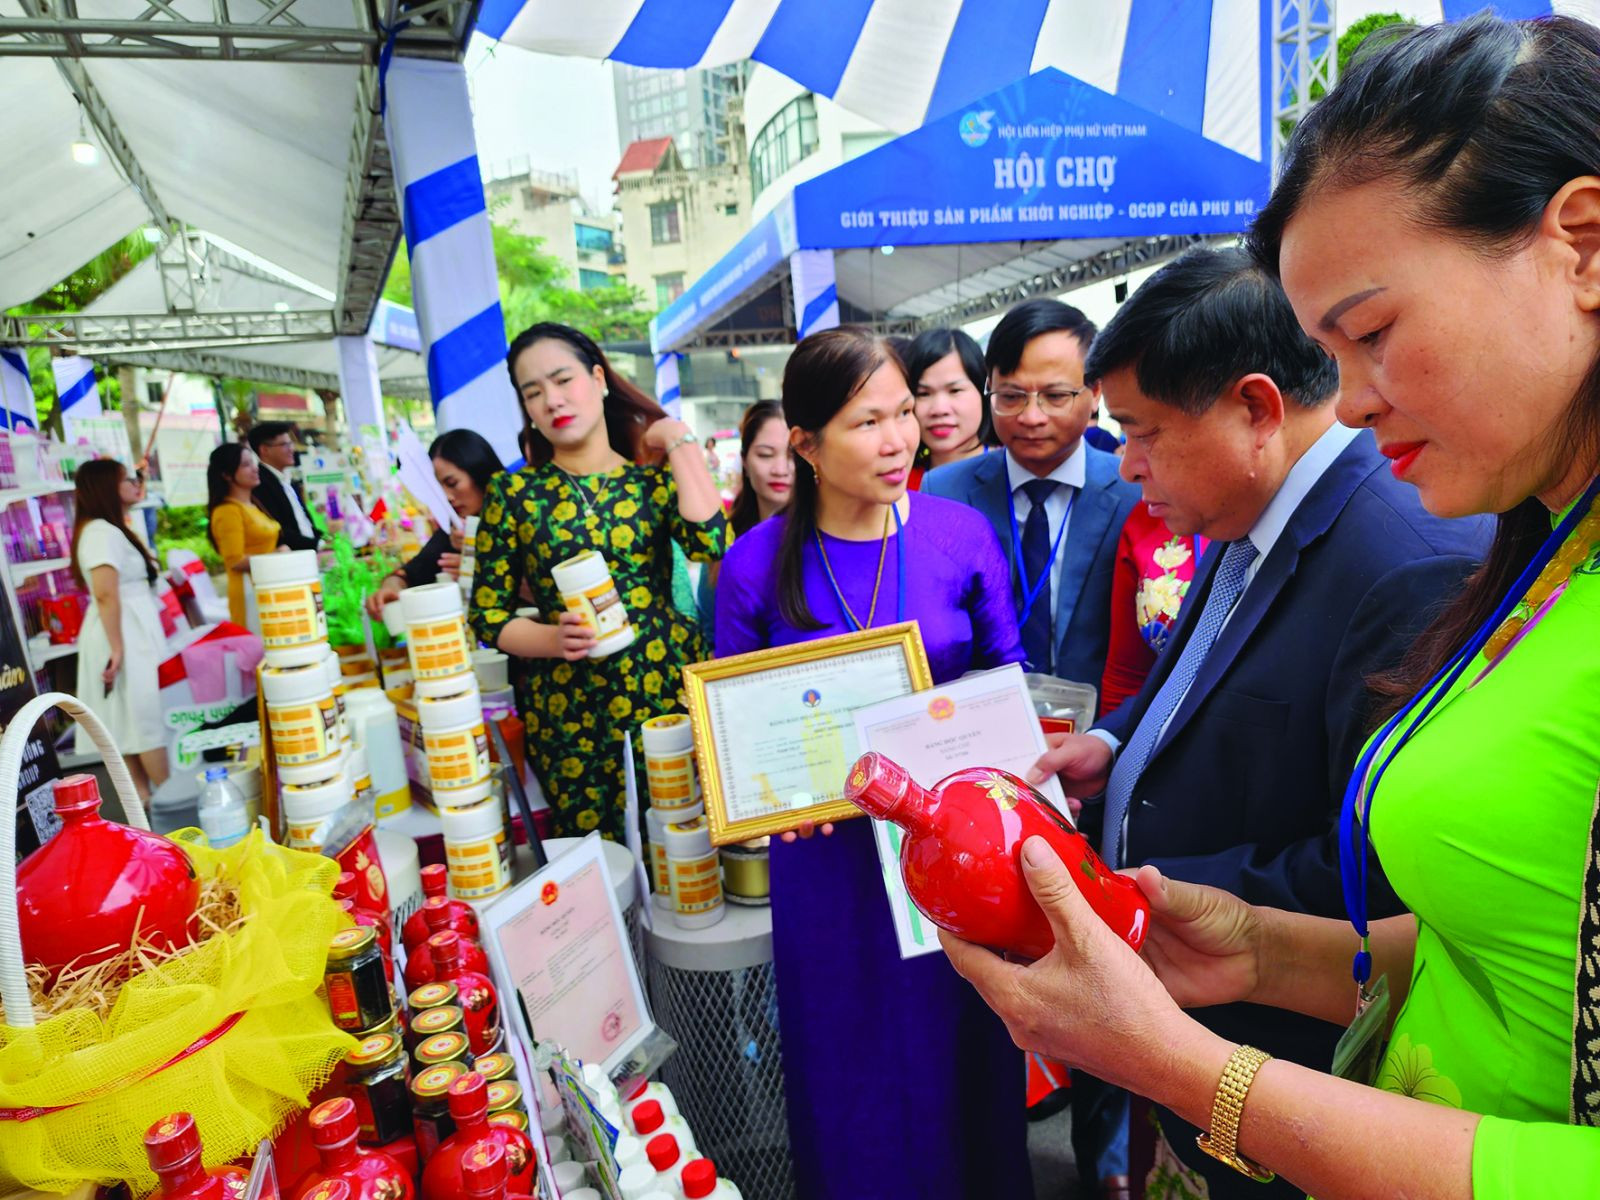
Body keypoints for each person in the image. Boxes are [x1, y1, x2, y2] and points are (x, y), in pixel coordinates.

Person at [945, 15, 1600, 1198]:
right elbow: (1501, 953)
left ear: (1582, 247)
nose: (1344, 405)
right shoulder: (1547, 549)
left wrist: (1189, 1072)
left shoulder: (1435, 543)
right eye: (1327, 353)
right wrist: (1272, 952)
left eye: (1374, 334)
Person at [715, 328, 1031, 1200]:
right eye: (867, 423)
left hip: (952, 845)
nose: (898, 441)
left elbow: (1009, 678)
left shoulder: (958, 535)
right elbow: (736, 727)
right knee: (849, 1056)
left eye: (903, 414)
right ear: (807, 444)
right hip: (827, 860)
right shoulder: (750, 568)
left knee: (964, 1040)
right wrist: (771, 797)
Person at [469, 322, 726, 841]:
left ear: (599, 379)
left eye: (563, 380)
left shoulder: (651, 482)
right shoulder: (514, 492)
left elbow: (710, 542)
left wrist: (676, 437)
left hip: (663, 693)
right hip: (568, 712)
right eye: (533, 393)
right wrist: (550, 639)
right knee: (596, 862)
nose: (552, 400)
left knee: (680, 841)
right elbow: (487, 616)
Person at [922, 299, 1139, 688]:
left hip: (1101, 729)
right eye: (1011, 396)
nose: (1031, 416)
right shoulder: (944, 492)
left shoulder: (1134, 492)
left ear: (1095, 392)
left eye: (1055, 396)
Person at [70, 459, 169, 803]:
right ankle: (169, 805)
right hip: (123, 636)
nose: (134, 483)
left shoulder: (108, 529)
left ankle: (150, 815)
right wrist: (117, 649)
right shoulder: (101, 532)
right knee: (142, 725)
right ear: (105, 488)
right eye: (126, 479)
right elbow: (105, 592)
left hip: (127, 633)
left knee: (130, 728)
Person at [366, 429, 505, 617]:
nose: (447, 497)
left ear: (481, 473)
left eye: (452, 483)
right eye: (438, 487)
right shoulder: (452, 533)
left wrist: (482, 566)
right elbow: (412, 572)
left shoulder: (519, 520)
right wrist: (392, 587)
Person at [695, 400, 791, 641]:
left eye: (793, 455)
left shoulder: (825, 539)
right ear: (745, 461)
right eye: (765, 455)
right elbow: (711, 631)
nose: (780, 469)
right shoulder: (725, 545)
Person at [1099, 503, 1205, 715]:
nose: (1130, 472)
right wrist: (1110, 740)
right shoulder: (1151, 512)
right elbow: (1127, 676)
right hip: (1165, 722)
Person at [902, 326, 994, 488]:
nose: (939, 409)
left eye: (955, 390)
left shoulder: (1011, 472)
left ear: (984, 390)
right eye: (923, 393)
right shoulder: (899, 486)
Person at [206, 443, 280, 630]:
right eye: (246, 465)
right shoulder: (227, 511)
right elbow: (235, 560)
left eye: (253, 463)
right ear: (226, 474)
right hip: (249, 592)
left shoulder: (252, 505)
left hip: (269, 585)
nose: (255, 468)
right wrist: (277, 557)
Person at [248, 421, 320, 552]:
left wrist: (322, 539)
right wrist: (317, 544)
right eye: (284, 445)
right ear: (264, 450)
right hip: (290, 559)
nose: (292, 449)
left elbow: (302, 520)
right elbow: (279, 529)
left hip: (310, 553)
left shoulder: (288, 480)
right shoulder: (260, 484)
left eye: (291, 443)